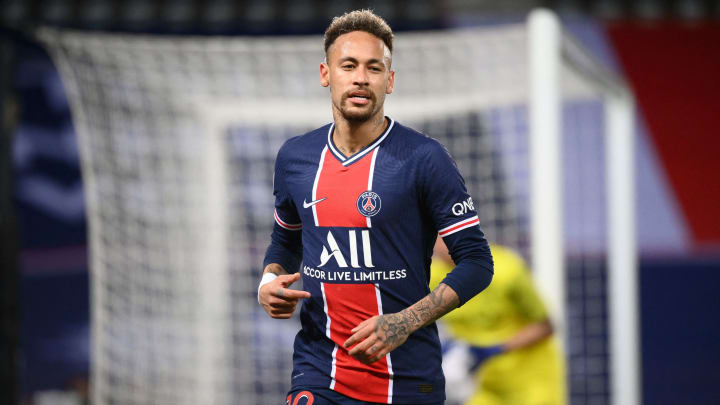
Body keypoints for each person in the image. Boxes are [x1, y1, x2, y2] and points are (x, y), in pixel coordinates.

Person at [257, 9, 494, 405]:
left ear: (390, 80)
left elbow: (477, 262)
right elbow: (285, 241)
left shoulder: (424, 158)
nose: (361, 78)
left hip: (407, 379)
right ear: (326, 74)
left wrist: (404, 322)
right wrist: (268, 281)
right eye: (348, 65)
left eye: (374, 67)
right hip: (320, 371)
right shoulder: (296, 158)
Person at [430, 239, 566, 405]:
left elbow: (545, 326)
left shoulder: (506, 269)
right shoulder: (431, 276)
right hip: (481, 384)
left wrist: (495, 350)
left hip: (530, 381)